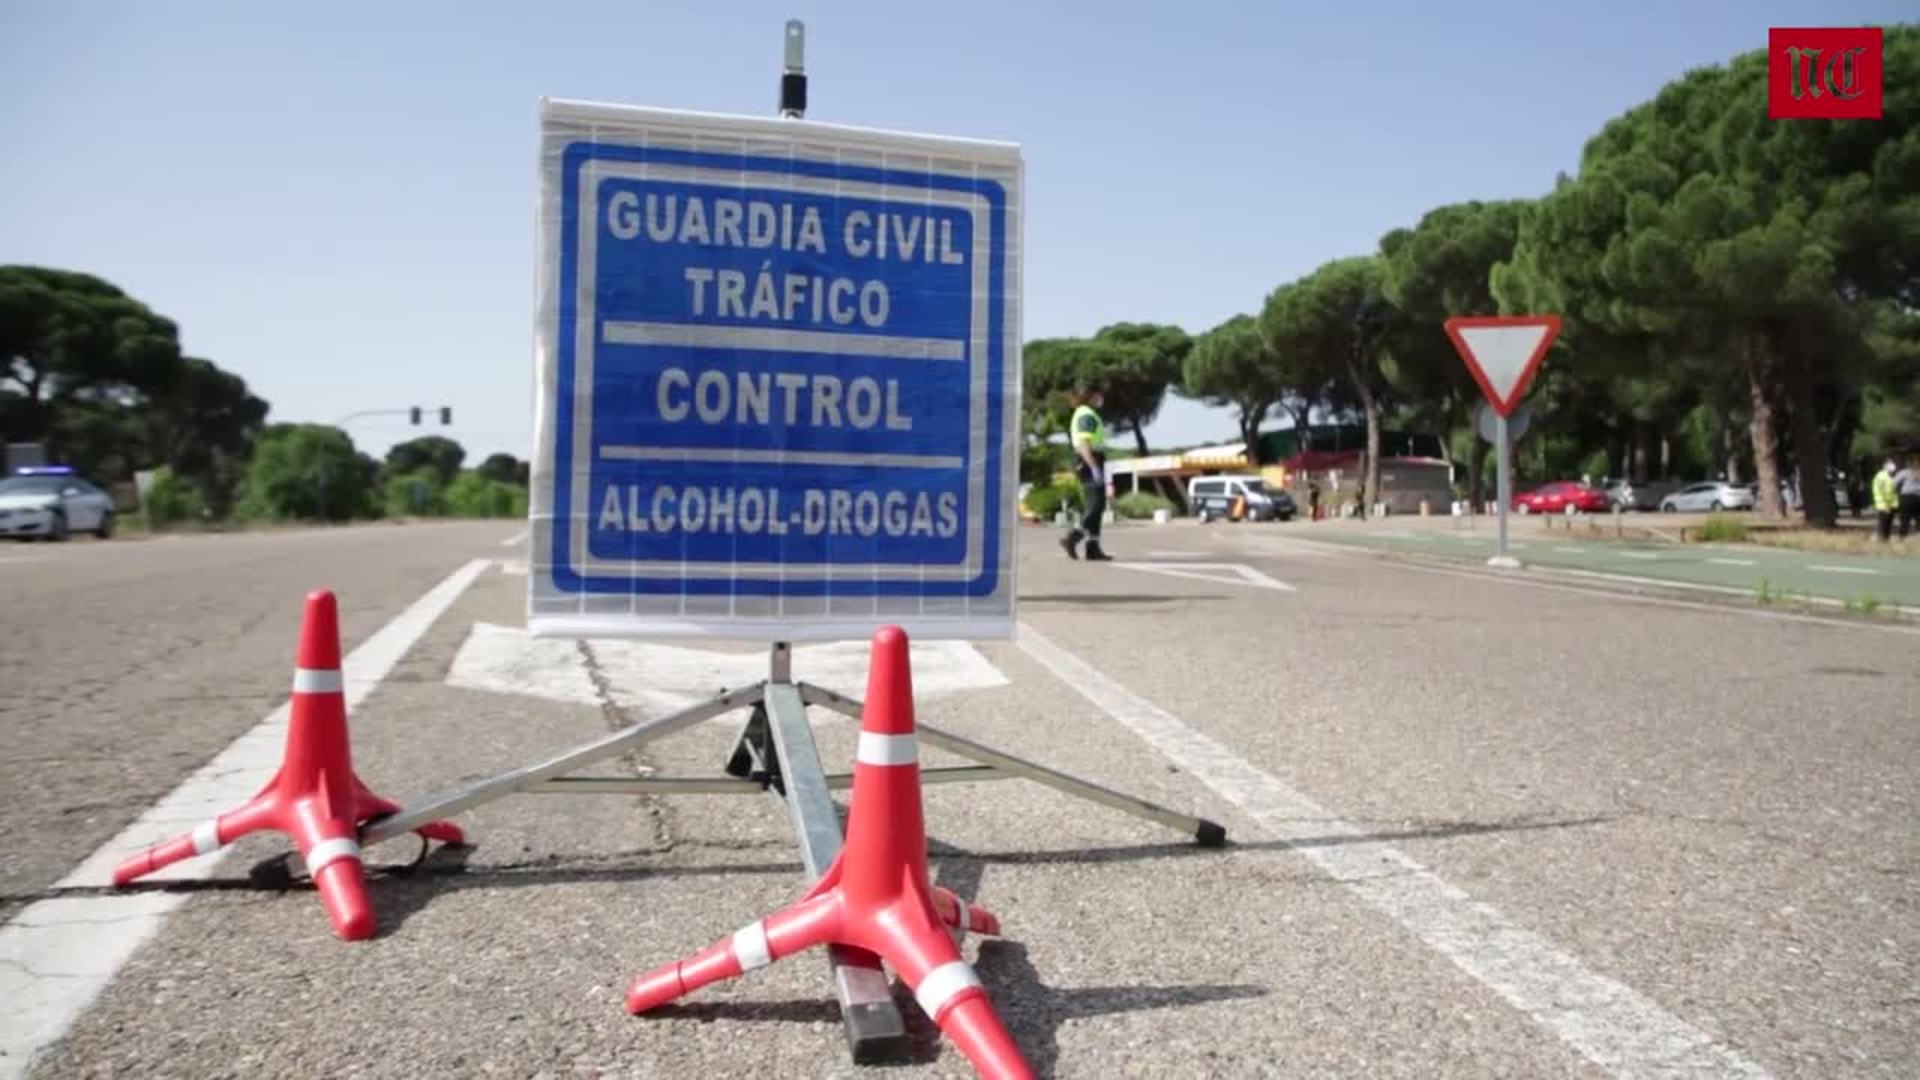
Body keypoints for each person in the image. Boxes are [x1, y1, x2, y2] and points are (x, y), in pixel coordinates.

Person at [1059, 386, 1112, 561]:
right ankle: (1072, 536)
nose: (1102, 398)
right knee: (1096, 505)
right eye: (1099, 395)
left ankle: (1093, 547)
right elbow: (1083, 443)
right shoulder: (1086, 415)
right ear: (1091, 396)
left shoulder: (1087, 413)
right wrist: (1094, 467)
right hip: (1089, 460)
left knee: (1096, 506)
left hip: (1091, 460)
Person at [1871, 457, 1899, 542]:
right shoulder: (1881, 476)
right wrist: (1886, 505)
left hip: (1890, 504)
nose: (1892, 465)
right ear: (1884, 465)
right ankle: (1878, 539)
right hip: (1883, 505)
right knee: (1882, 524)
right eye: (1890, 463)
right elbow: (1882, 491)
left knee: (1888, 524)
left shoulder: (1889, 476)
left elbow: (1892, 491)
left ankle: (1885, 540)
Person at [1897, 453, 1920, 540]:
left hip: (1912, 497)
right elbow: (1894, 483)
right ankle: (1903, 537)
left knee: (1909, 518)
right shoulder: (1904, 473)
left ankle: (1905, 537)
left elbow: (1894, 483)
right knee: (1909, 518)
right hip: (1912, 497)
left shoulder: (1905, 473)